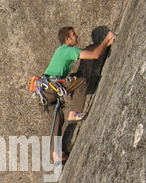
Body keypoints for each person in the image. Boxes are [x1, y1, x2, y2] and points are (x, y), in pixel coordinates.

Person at [42, 26, 116, 162]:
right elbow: (94, 55)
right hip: (52, 87)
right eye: (73, 34)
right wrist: (108, 38)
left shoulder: (62, 51)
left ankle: (56, 154)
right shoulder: (67, 51)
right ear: (67, 39)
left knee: (57, 120)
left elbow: (87, 52)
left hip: (46, 91)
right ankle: (74, 112)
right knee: (81, 81)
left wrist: (105, 44)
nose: (76, 35)